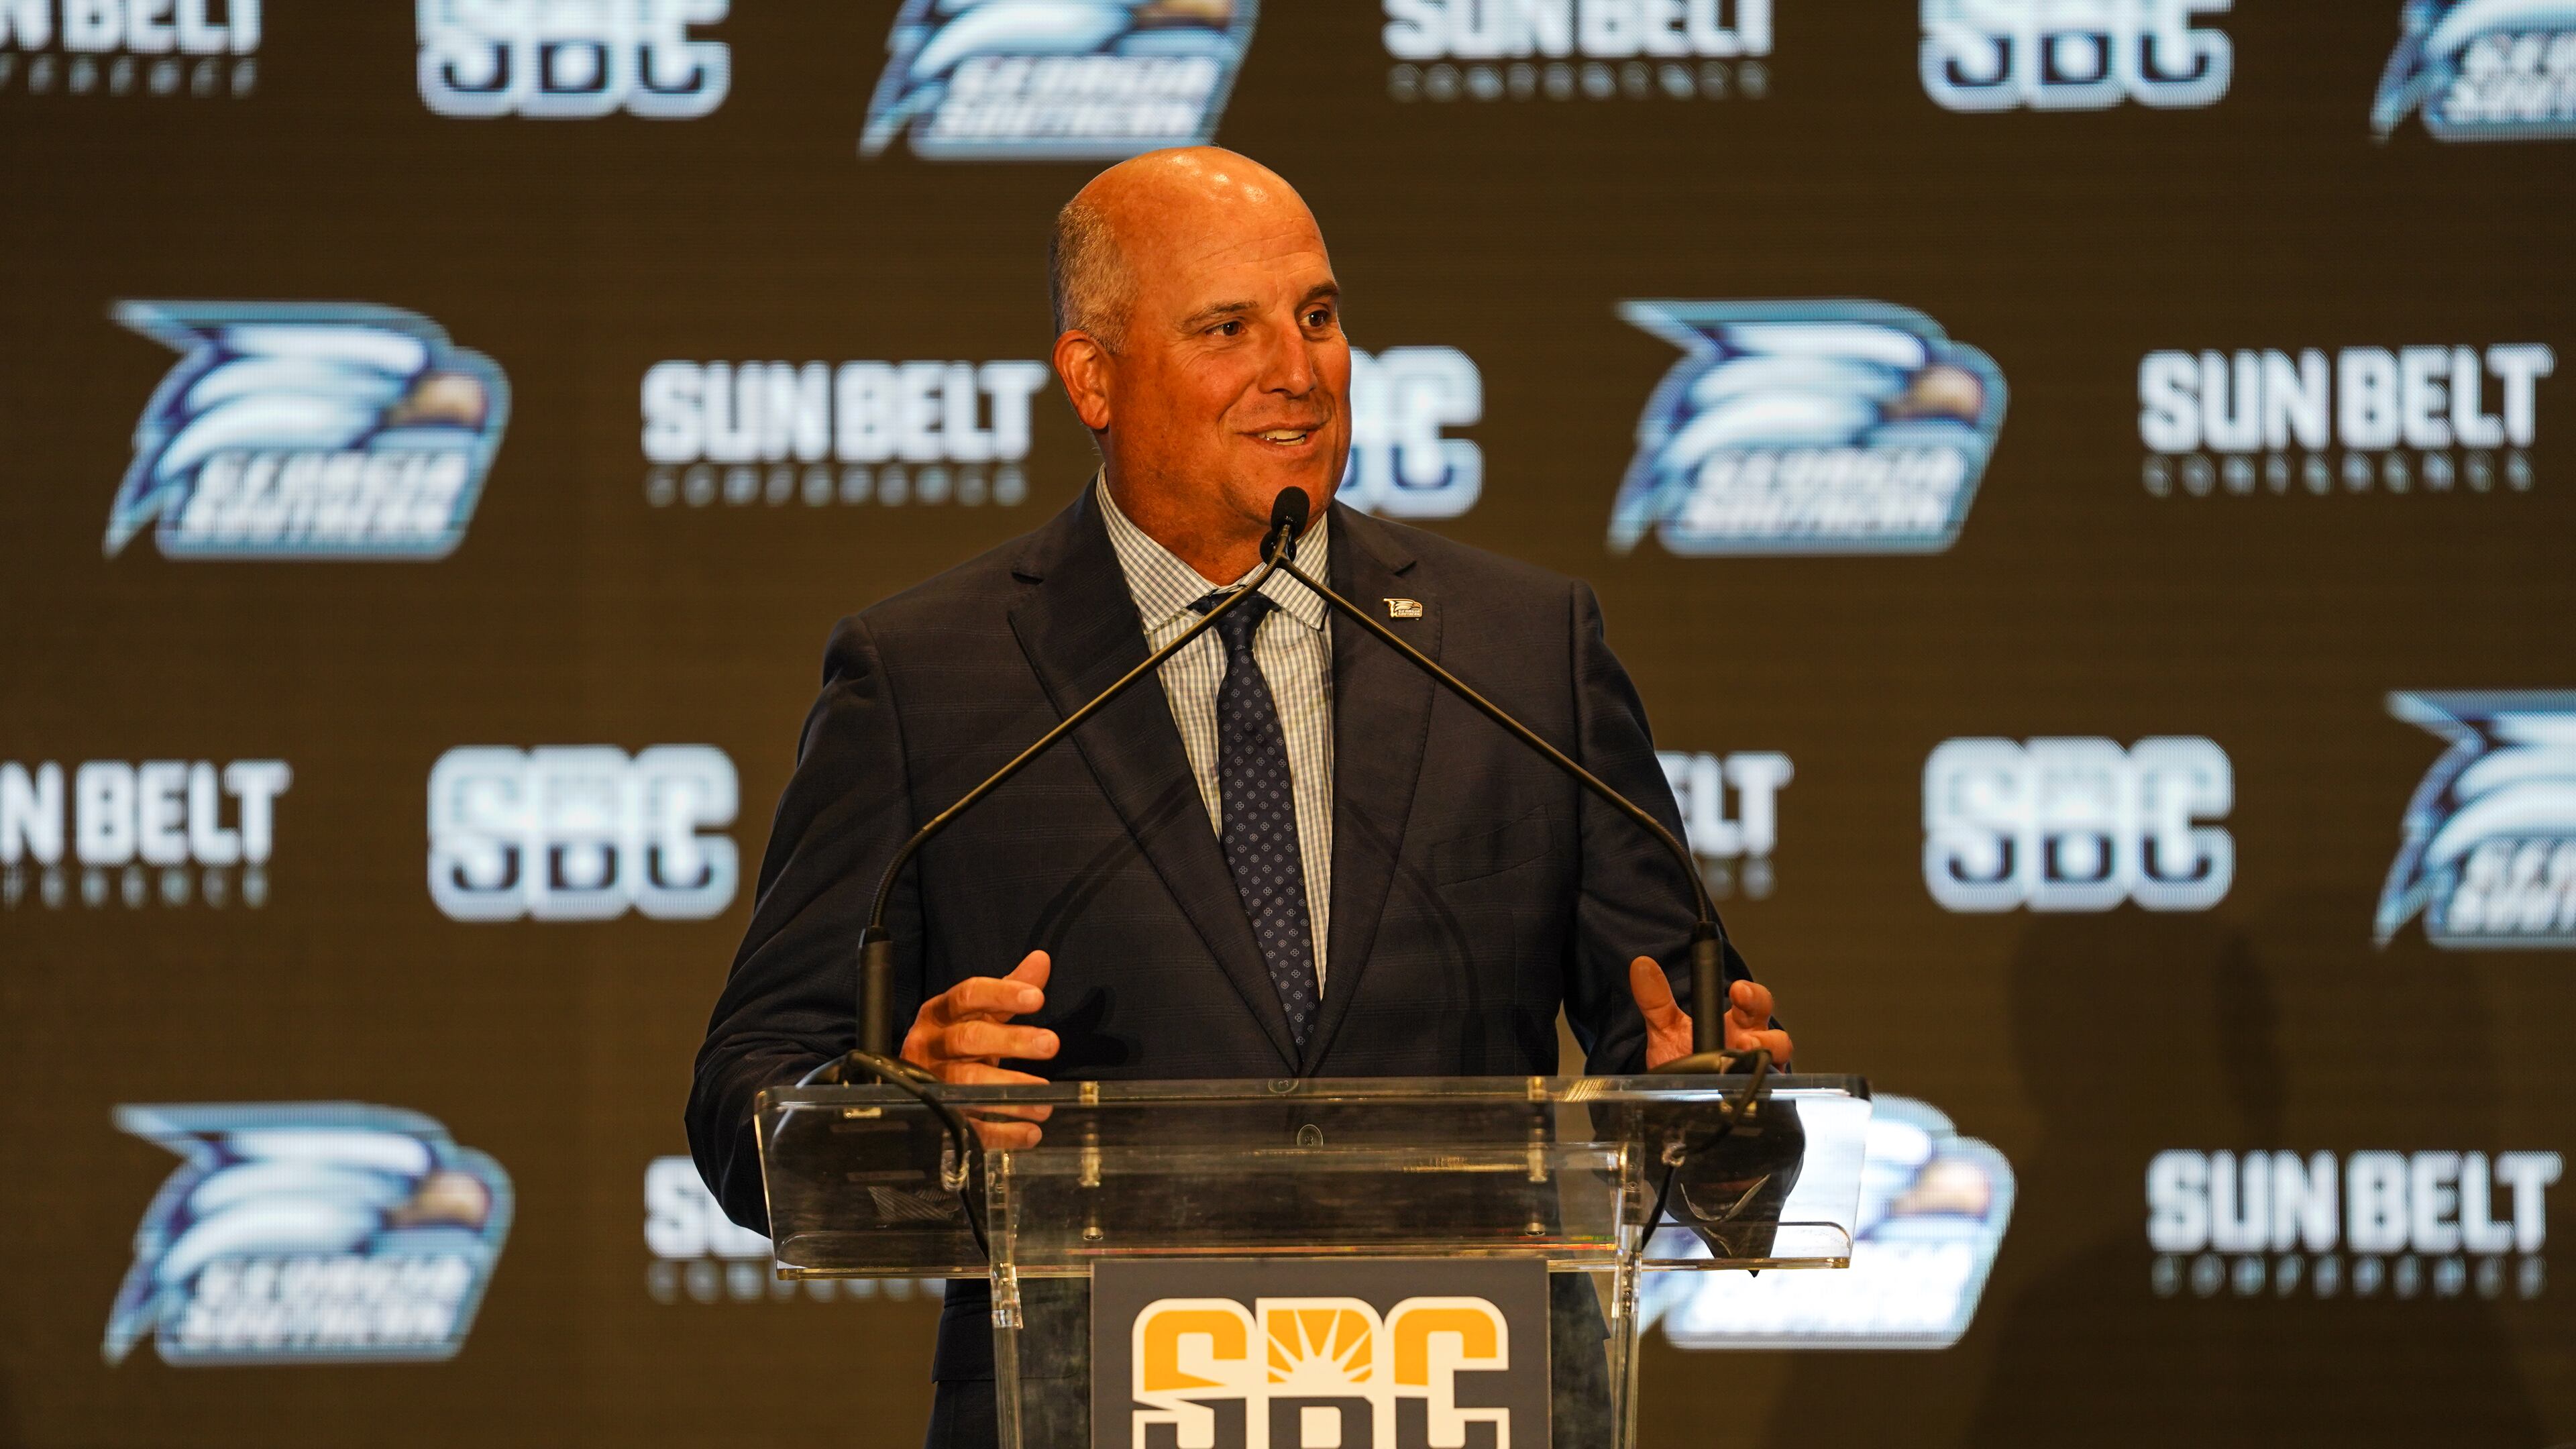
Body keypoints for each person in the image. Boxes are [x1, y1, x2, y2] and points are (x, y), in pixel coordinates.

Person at [686, 146, 1790, 1448]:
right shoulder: (929, 677)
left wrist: (1713, 1103)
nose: (1299, 369)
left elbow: (1687, 1071)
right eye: (1230, 328)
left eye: (1318, 318)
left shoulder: (1520, 650)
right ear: (1094, 375)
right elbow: (746, 1092)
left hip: (1462, 1396)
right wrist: (885, 1100)